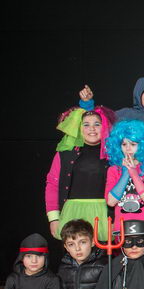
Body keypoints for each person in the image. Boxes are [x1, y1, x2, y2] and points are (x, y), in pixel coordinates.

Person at [46, 96, 116, 240]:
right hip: (72, 215)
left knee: (103, 253)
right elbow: (53, 185)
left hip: (103, 216)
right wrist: (54, 218)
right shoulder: (65, 154)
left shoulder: (114, 155)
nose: (92, 129)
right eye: (86, 124)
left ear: (104, 127)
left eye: (97, 124)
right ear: (79, 128)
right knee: (76, 251)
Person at [105, 120, 144, 248]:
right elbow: (111, 201)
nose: (128, 148)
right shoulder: (113, 170)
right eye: (124, 144)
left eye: (133, 144)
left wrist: (134, 173)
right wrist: (125, 173)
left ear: (143, 145)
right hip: (121, 228)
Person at [80, 79, 144, 138]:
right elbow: (97, 121)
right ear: (138, 94)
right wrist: (87, 102)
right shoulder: (124, 115)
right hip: (129, 165)